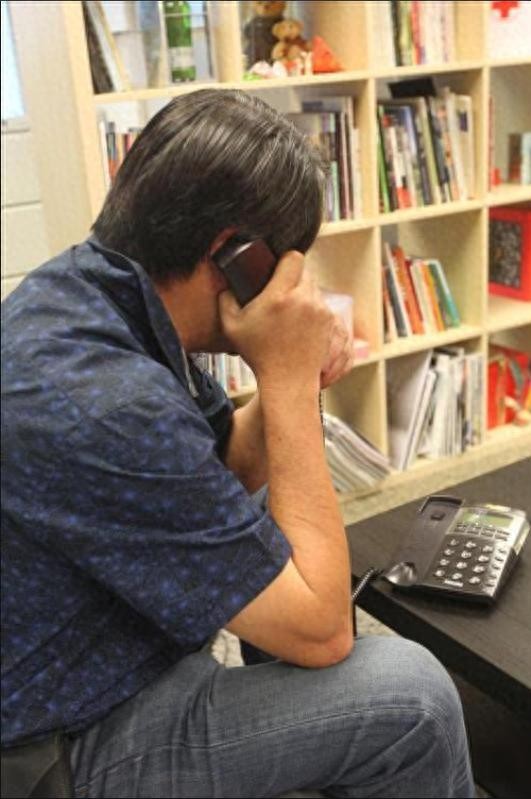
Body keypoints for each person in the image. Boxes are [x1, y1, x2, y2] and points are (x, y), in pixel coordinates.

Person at [1, 88, 474, 798]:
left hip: (94, 651)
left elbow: (221, 462)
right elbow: (324, 631)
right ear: (236, 256)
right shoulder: (109, 403)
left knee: (270, 516)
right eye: (286, 263)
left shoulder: (92, 293)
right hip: (62, 745)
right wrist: (287, 378)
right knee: (414, 700)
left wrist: (293, 364)